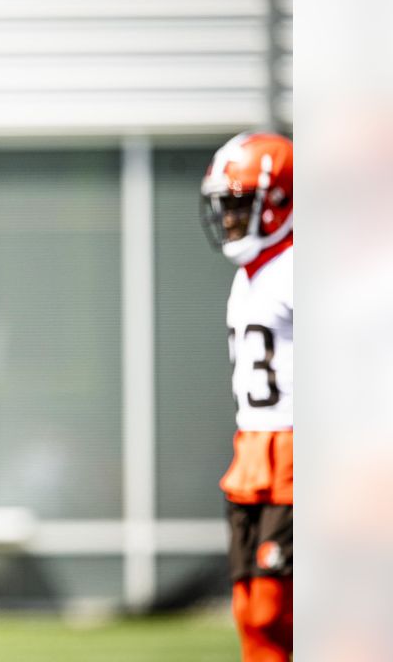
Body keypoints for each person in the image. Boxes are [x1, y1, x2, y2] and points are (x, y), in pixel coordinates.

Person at [200, 132, 293, 661]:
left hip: (297, 454)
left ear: (279, 201)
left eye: (239, 203)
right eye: (225, 205)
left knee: (281, 609)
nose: (229, 217)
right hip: (252, 454)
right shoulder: (248, 276)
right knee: (250, 612)